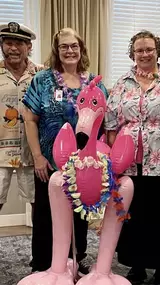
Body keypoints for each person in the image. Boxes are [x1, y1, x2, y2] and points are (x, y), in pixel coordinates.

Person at [22, 27, 108, 275]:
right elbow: (29, 119)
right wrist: (38, 157)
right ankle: (42, 264)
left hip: (84, 163)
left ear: (81, 49)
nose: (69, 51)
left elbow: (104, 122)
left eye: (74, 46)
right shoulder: (42, 80)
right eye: (64, 47)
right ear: (56, 51)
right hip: (49, 162)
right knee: (47, 214)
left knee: (80, 213)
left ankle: (76, 258)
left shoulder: (94, 84)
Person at [105, 30, 160, 284]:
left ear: (157, 50)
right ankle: (137, 264)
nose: (144, 54)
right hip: (129, 165)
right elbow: (110, 125)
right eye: (139, 50)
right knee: (134, 216)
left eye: (149, 49)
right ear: (133, 53)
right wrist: (114, 162)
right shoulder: (122, 83)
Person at [0, 22, 43, 215]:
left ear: (29, 47)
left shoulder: (42, 75)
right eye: (8, 43)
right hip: (0, 152)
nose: (14, 48)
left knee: (39, 206)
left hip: (33, 152)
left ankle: (41, 245)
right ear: (1, 45)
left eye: (19, 43)